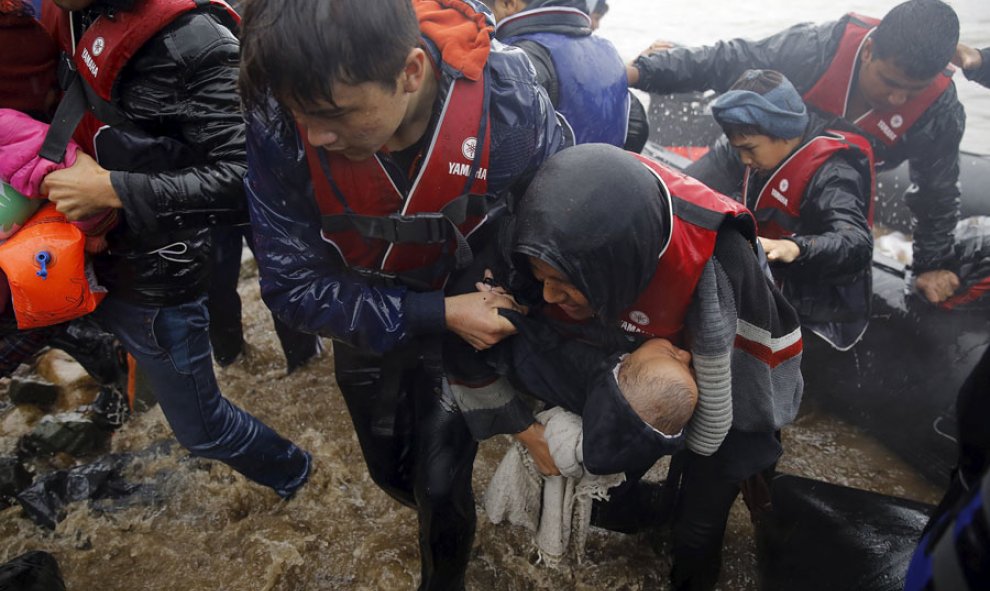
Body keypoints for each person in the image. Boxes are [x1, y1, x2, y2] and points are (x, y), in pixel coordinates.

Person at [237, 0, 564, 587]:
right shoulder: (280, 122)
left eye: (332, 113)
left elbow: (557, 238)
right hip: (366, 309)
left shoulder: (511, 108)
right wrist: (434, 313)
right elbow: (290, 287)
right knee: (392, 474)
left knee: (439, 484)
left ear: (411, 71)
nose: (316, 135)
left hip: (469, 301)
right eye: (300, 114)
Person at [486, 143, 804, 590]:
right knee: (610, 495)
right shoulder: (540, 230)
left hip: (721, 383)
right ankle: (653, 510)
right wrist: (531, 429)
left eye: (563, 284)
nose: (549, 296)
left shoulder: (716, 259)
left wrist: (694, 444)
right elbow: (507, 352)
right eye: (543, 280)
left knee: (699, 523)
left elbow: (730, 410)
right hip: (628, 360)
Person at [35, 0, 311, 499]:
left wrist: (114, 190)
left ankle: (302, 476)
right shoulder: (65, 13)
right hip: (79, 253)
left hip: (157, 278)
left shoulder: (196, 41)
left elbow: (257, 181)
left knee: (205, 431)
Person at [628, 0, 964, 306]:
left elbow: (937, 189)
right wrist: (642, 71)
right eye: (889, 82)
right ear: (868, 51)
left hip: (830, 178)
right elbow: (728, 59)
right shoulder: (817, 47)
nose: (897, 100)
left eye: (912, 91)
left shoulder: (940, 110)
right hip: (748, 157)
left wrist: (931, 265)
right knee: (675, 218)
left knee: (824, 255)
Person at [703, 69, 874, 350]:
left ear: (783, 133)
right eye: (738, 150)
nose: (744, 159)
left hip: (820, 316)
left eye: (749, 149)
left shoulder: (834, 174)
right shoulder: (763, 157)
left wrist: (795, 248)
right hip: (773, 288)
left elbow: (856, 241)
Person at [483, 0, 648, 151]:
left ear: (509, 4)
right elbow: (637, 126)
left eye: (486, 10)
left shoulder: (518, 57)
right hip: (609, 177)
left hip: (547, 181)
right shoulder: (609, 50)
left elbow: (504, 150)